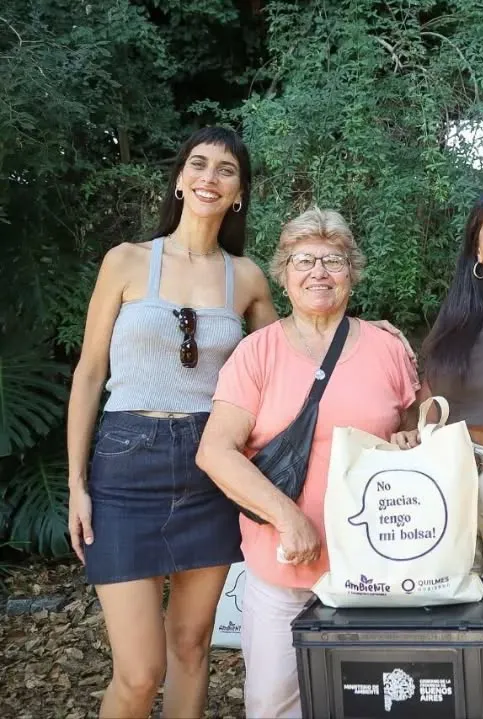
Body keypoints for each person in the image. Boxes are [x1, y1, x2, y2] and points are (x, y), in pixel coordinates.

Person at [65, 126, 277, 719]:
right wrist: (76, 485)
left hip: (211, 466)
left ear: (239, 193)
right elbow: (88, 374)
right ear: (181, 179)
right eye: (198, 164)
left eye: (226, 169)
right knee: (138, 674)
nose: (210, 177)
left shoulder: (248, 278)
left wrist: (364, 336)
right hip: (126, 464)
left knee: (190, 646)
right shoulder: (127, 261)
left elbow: (285, 362)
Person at [195, 206, 419, 718]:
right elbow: (214, 450)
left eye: (333, 261)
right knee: (275, 705)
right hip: (282, 566)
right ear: (283, 273)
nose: (319, 272)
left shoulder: (387, 348)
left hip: (376, 568)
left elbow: (414, 425)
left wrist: (411, 438)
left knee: (373, 702)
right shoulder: (257, 353)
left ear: (352, 273)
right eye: (303, 260)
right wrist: (287, 517)